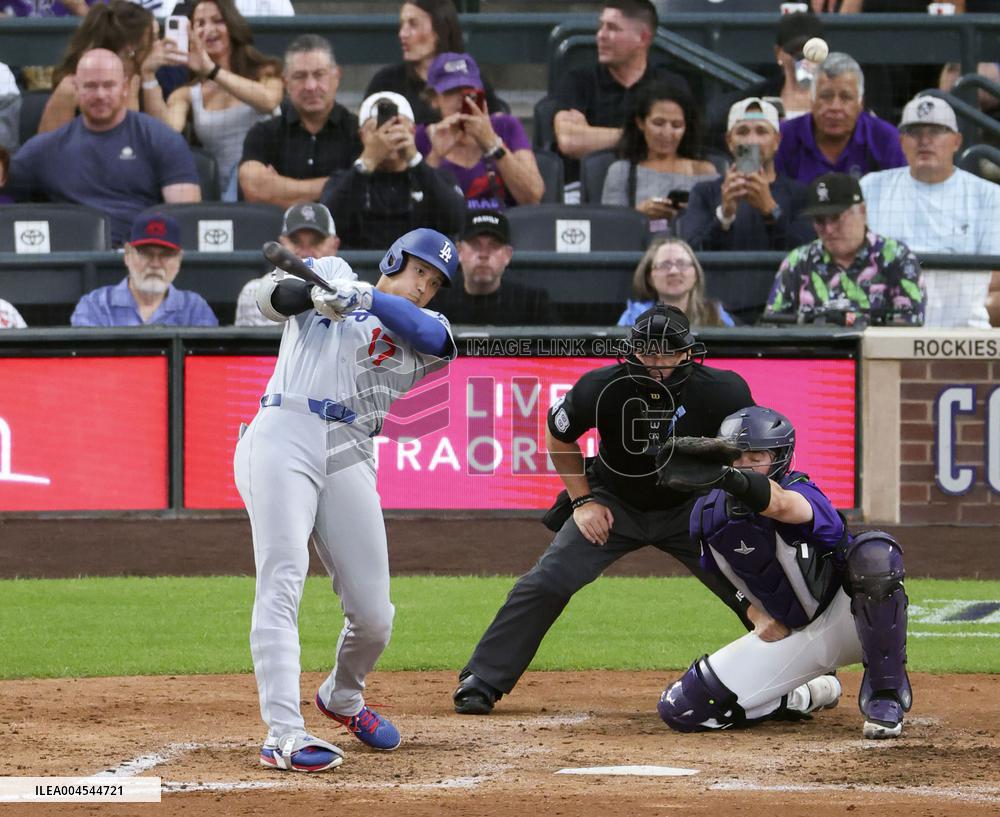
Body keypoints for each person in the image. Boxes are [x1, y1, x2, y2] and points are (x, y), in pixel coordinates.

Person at [452, 304, 755, 716]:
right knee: (548, 580)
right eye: (647, 351)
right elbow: (558, 435)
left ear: (687, 353)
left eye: (666, 352)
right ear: (631, 350)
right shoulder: (599, 387)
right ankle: (482, 677)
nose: (656, 363)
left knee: (752, 584)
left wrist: (730, 499)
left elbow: (750, 449)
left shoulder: (725, 391)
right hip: (614, 502)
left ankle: (796, 673)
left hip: (692, 507)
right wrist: (582, 501)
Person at [234, 227, 459, 771]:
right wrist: (314, 295)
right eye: (418, 271)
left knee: (375, 615)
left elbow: (430, 337)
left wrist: (369, 298)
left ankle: (342, 696)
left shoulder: (429, 326)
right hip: (284, 428)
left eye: (434, 282)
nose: (423, 287)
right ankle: (283, 734)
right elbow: (269, 298)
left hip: (352, 447)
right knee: (283, 576)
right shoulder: (331, 273)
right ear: (392, 257)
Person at [656, 405, 912, 740]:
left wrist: (729, 477)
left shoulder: (802, 491)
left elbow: (779, 505)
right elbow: (715, 573)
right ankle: (811, 693)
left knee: (876, 553)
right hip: (793, 635)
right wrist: (751, 611)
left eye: (756, 456)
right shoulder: (707, 514)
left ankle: (885, 693)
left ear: (779, 457)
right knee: (683, 707)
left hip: (850, 621)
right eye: (737, 457)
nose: (745, 464)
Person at [3, 49, 201, 245]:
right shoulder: (46, 149)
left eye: (108, 85)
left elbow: (186, 219)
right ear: (76, 88)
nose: (100, 94)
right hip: (73, 260)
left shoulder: (161, 139)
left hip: (141, 255)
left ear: (124, 87)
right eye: (90, 86)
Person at [860, 95, 1000, 329]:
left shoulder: (988, 195)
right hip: (886, 320)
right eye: (914, 132)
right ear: (902, 141)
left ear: (956, 141)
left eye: (936, 131)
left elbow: (996, 274)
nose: (925, 140)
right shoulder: (871, 187)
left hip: (961, 323)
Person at [140, 0, 283, 201]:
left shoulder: (266, 71)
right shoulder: (187, 93)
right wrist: (148, 76)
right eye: (200, 24)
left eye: (218, 21)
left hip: (266, 185)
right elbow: (167, 132)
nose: (209, 29)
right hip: (220, 195)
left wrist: (212, 71)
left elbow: (269, 101)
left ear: (232, 25)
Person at [764, 172, 924, 326]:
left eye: (836, 218)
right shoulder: (798, 262)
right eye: (819, 221)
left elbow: (910, 324)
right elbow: (773, 327)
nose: (829, 229)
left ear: (862, 211)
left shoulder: (897, 258)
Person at [552, 0, 691, 172]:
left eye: (612, 28)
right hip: (584, 191)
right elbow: (570, 140)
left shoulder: (671, 86)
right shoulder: (578, 81)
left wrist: (591, 135)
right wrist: (646, 136)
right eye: (601, 26)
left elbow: (684, 144)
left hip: (654, 184)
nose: (601, 35)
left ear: (643, 38)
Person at [320, 91, 466, 250]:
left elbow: (456, 220)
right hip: (359, 271)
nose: (387, 134)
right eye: (377, 127)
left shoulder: (438, 178)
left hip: (419, 269)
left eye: (396, 125)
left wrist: (414, 160)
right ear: (362, 136)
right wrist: (368, 161)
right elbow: (327, 223)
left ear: (412, 131)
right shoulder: (342, 179)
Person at [239, 35, 361, 210]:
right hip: (278, 235)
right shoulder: (263, 134)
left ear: (337, 76)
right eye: (300, 76)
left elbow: (364, 195)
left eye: (319, 75)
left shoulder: (359, 132)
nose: (310, 86)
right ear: (285, 82)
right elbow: (255, 189)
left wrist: (278, 190)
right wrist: (343, 184)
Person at [679, 97, 814, 252]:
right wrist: (724, 216)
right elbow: (693, 254)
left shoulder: (800, 195)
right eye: (742, 132)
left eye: (761, 131)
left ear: (777, 141)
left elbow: (807, 254)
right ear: (729, 141)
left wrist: (771, 210)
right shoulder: (704, 193)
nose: (752, 141)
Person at [417, 52, 542, 210]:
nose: (461, 99)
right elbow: (415, 209)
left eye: (469, 91)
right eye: (451, 92)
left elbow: (533, 196)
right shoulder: (421, 137)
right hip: (446, 232)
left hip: (501, 229)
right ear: (434, 99)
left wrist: (492, 144)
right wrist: (435, 156)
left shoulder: (505, 127)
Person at [601, 79, 717, 232]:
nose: (667, 133)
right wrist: (639, 215)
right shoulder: (621, 171)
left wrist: (685, 216)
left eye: (676, 125)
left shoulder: (704, 171)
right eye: (658, 123)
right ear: (640, 123)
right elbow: (609, 228)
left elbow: (715, 227)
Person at [774, 52, 906, 185]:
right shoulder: (784, 136)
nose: (835, 107)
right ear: (812, 102)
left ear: (860, 104)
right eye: (826, 96)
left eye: (845, 97)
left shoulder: (886, 139)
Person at [365, 0, 503, 126]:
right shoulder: (386, 81)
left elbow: (499, 129)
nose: (403, 34)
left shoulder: (470, 79)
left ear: (440, 29)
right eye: (402, 25)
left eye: (413, 24)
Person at [70, 212, 217, 326]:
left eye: (166, 255)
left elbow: (209, 363)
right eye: (146, 253)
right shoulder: (95, 306)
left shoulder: (195, 309)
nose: (155, 263)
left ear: (179, 259)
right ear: (127, 255)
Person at [37, 1, 158, 135]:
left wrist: (148, 78)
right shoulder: (70, 89)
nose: (158, 46)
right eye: (154, 39)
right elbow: (47, 150)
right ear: (132, 47)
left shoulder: (144, 80)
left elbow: (163, 140)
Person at [431, 210, 554, 325]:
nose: (483, 254)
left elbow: (558, 347)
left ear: (507, 255)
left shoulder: (532, 305)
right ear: (459, 251)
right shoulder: (435, 304)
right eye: (475, 245)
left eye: (494, 246)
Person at [235, 202, 340, 326]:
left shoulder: (356, 294)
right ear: (282, 245)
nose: (306, 252)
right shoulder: (255, 292)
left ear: (334, 245)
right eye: (296, 242)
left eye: (316, 242)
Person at [617, 237, 734, 327]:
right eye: (664, 265)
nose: (674, 271)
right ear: (649, 278)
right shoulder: (634, 317)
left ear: (695, 274)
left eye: (681, 264)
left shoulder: (716, 314)